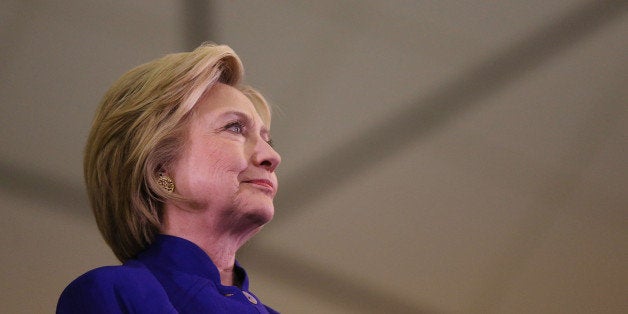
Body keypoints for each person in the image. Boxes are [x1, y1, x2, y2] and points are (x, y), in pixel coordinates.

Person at [57, 44, 281, 313]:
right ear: (160, 167)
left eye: (268, 140)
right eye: (234, 127)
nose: (271, 156)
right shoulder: (115, 293)